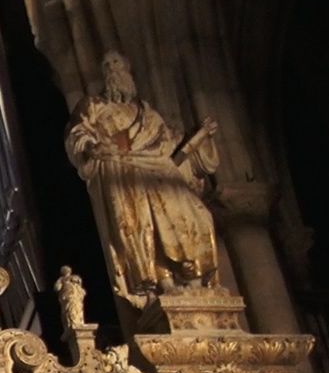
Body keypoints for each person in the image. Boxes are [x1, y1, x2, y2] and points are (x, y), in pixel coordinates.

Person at [65, 52, 220, 296]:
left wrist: (201, 138)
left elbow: (174, 151)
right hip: (123, 170)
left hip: (161, 168)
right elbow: (78, 134)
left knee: (199, 217)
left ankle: (194, 278)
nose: (111, 68)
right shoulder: (93, 105)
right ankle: (164, 281)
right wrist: (90, 147)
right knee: (144, 226)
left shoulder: (148, 113)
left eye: (116, 62)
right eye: (106, 64)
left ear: (128, 68)